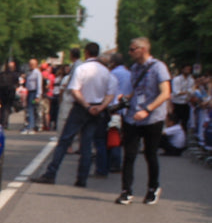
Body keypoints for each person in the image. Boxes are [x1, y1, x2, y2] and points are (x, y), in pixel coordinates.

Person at [33, 42, 112, 186]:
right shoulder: (106, 71)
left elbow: (75, 90)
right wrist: (100, 107)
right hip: (97, 109)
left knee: (64, 141)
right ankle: (82, 179)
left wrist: (87, 106)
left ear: (86, 53)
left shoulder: (81, 69)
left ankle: (51, 173)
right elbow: (110, 94)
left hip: (81, 107)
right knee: (86, 144)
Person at [117, 36, 171, 205]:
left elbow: (165, 93)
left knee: (150, 154)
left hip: (152, 117)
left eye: (133, 49)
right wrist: (126, 98)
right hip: (133, 116)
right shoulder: (134, 68)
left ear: (143, 49)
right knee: (129, 154)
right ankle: (126, 191)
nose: (130, 52)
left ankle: (152, 188)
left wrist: (148, 110)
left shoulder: (159, 67)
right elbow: (135, 88)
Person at [22, 58, 41, 133]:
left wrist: (38, 96)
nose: (30, 65)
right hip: (29, 92)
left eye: (32, 64)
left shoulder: (37, 73)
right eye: (30, 64)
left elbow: (39, 85)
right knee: (29, 109)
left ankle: (32, 126)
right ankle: (29, 125)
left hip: (34, 93)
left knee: (31, 109)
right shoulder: (30, 72)